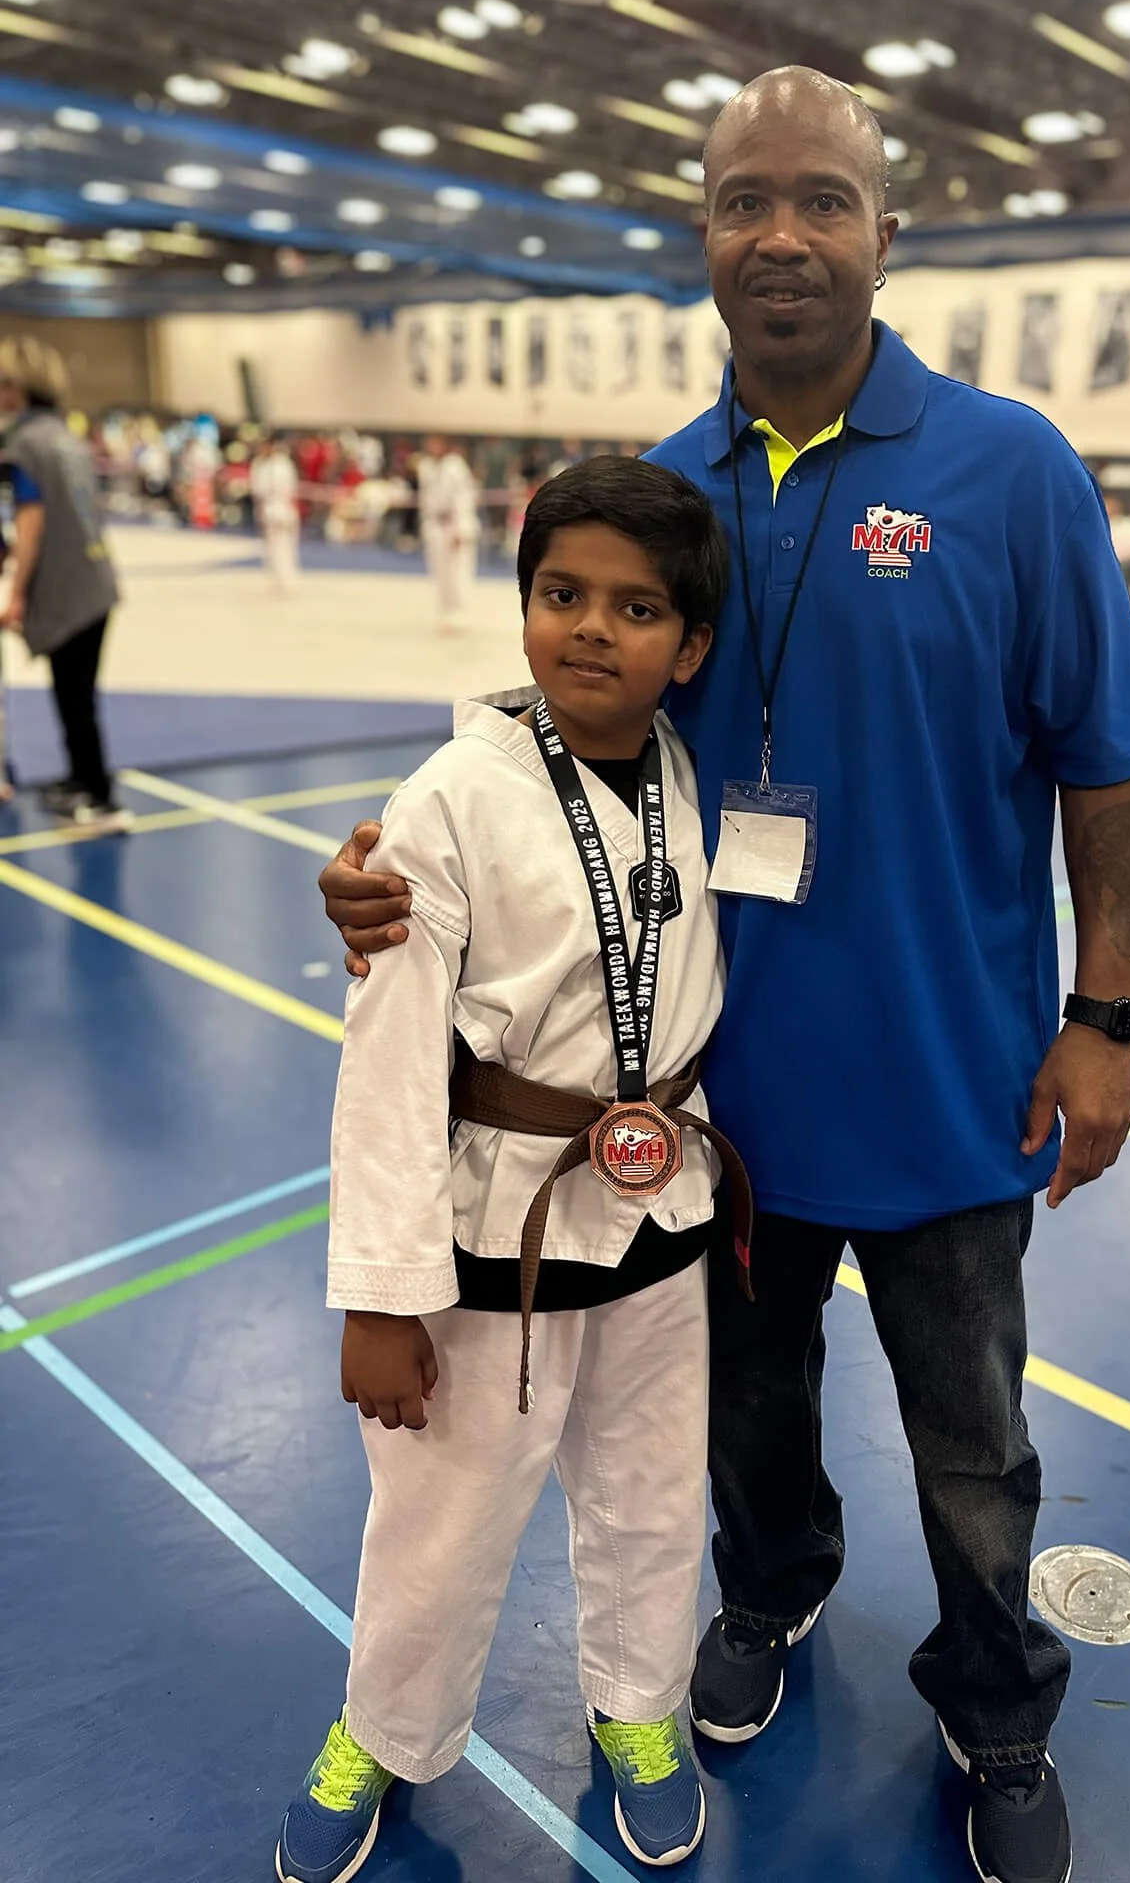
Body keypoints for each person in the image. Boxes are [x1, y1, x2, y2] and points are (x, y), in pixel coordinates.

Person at [317, 66, 1130, 1883]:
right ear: (701, 236)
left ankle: (997, 1706)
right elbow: (557, 743)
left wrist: (1103, 1018)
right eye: (742, 201)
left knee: (974, 1451)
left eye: (821, 200)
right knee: (746, 1423)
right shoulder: (667, 493)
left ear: (884, 235)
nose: (782, 234)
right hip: (711, 1122)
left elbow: (1111, 768)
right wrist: (396, 876)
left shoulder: (1011, 469)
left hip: (954, 1089)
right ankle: (772, 1596)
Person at [276, 457, 739, 1883]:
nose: (592, 628)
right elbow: (389, 1059)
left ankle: (639, 1706)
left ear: (690, 649)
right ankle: (382, 1726)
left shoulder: (689, 771)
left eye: (636, 608)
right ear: (523, 602)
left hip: (660, 1212)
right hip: (497, 1232)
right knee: (445, 1517)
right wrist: (382, 1295)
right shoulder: (449, 800)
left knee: (653, 1494)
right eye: (560, 593)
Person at [0, 335, 126, 833]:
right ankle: (81, 778)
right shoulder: (65, 436)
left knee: (74, 700)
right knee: (78, 695)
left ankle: (98, 797)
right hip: (96, 580)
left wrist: (17, 592)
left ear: (16, 388)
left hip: (68, 588)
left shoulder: (24, 443)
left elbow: (31, 521)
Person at [417, 433, 480, 633]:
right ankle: (444, 614)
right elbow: (425, 499)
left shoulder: (455, 466)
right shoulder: (426, 467)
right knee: (440, 573)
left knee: (458, 573)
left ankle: (460, 616)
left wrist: (460, 529)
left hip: (454, 524)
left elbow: (464, 499)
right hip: (435, 525)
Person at [250, 432, 302, 593]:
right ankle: (277, 579)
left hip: (283, 508)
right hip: (270, 509)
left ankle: (288, 579)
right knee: (272, 547)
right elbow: (258, 490)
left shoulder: (282, 465)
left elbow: (289, 487)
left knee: (286, 546)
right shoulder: (262, 465)